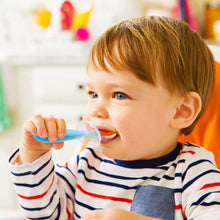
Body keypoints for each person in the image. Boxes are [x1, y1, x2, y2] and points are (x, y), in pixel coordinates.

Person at [9, 16, 220, 220]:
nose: (96, 111)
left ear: (181, 111)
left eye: (119, 95)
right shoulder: (88, 160)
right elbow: (46, 213)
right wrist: (34, 155)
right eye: (93, 94)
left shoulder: (193, 171)